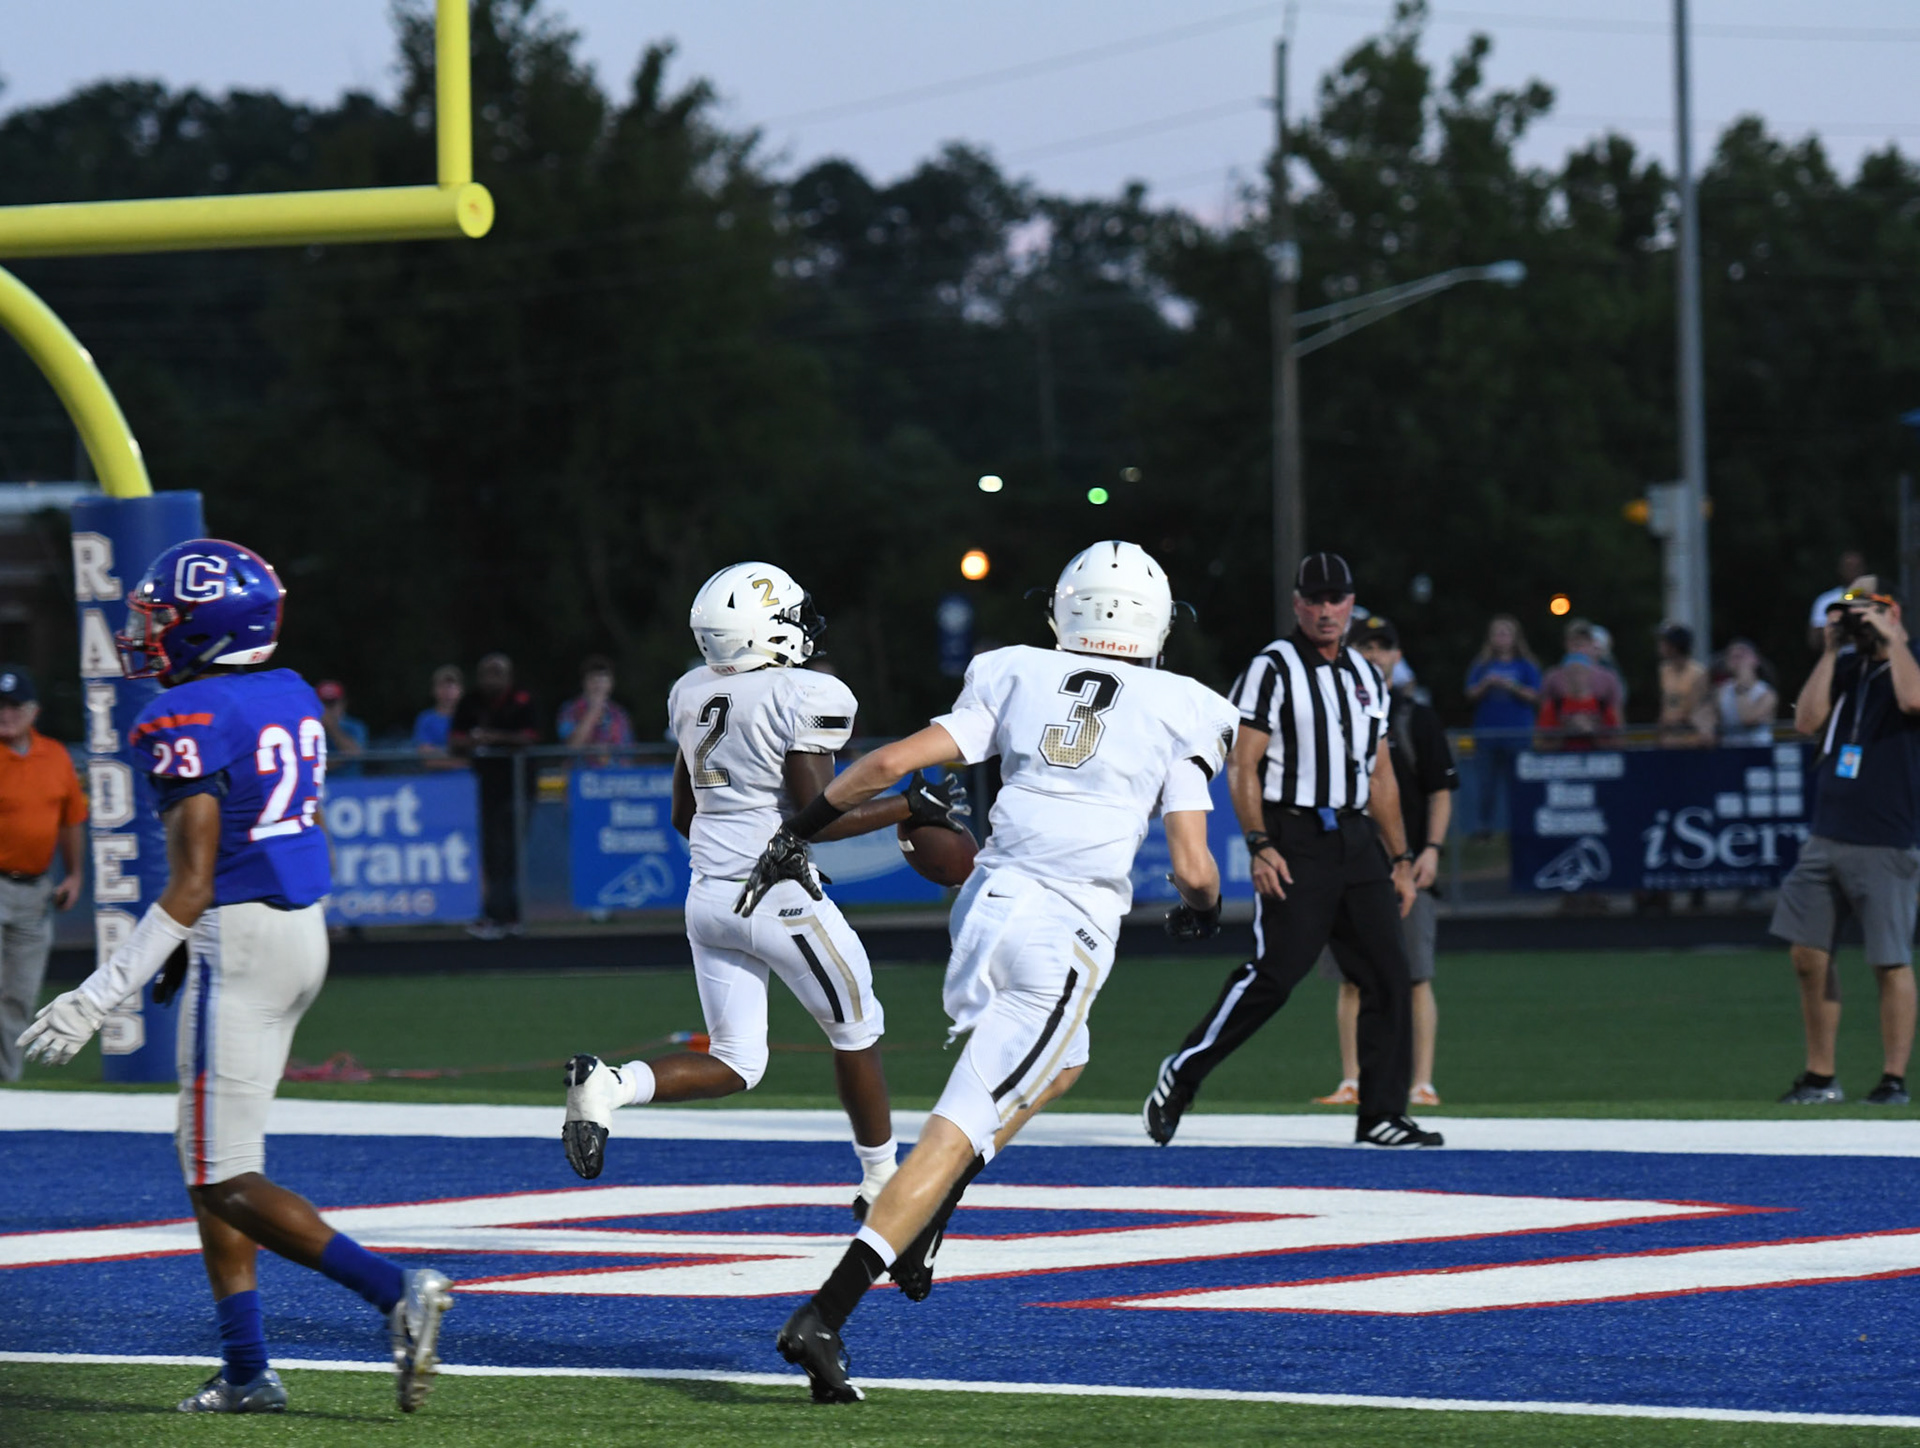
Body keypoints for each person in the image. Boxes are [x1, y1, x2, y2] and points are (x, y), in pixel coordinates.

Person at [757, 540, 1233, 1404]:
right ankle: (828, 1311)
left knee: (1066, 1059)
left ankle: (931, 1209)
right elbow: (1194, 864)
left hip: (987, 908)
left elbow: (890, 764)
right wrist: (1202, 908)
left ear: (1065, 610)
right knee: (958, 1125)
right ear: (1158, 624)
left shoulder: (1013, 669)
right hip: (1064, 933)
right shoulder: (1187, 706)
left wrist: (801, 828)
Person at [16, 539, 451, 1415]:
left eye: (163, 619)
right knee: (210, 1159)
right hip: (295, 932)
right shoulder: (287, 691)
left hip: (239, 942)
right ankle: (247, 1369)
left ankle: (393, 1291)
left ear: (206, 627)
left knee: (223, 1177)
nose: (147, 634)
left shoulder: (183, 716)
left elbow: (192, 882)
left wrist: (96, 997)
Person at [561, 563, 968, 1217]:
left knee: (737, 1062)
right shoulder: (801, 693)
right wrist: (910, 804)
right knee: (857, 1030)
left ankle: (610, 1084)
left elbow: (682, 814)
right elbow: (820, 815)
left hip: (708, 899)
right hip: (779, 898)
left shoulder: (691, 692)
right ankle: (881, 1181)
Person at [1146, 552, 1441, 1151]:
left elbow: (1380, 774)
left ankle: (1382, 1113)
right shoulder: (1272, 667)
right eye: (1315, 599)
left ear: (1351, 604)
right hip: (1296, 836)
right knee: (1276, 975)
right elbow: (1244, 764)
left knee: (1389, 974)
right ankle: (1183, 1071)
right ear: (1298, 603)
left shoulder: (1366, 675)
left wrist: (1401, 858)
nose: (1326, 610)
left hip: (1357, 838)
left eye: (1337, 599)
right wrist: (1259, 843)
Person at [1772, 578, 1920, 1106]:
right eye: (1848, 613)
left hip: (1886, 835)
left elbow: (1913, 699)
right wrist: (1832, 650)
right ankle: (1820, 1077)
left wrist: (1894, 638)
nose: (1856, 620)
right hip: (1828, 831)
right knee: (1807, 954)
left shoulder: (1909, 661)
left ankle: (1893, 1080)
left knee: (1889, 959)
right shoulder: (1846, 668)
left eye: (1865, 611)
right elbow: (1806, 720)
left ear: (1892, 613)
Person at [1312, 618, 1456, 1108]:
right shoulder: (1330, 714)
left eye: (1383, 646)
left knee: (1415, 975)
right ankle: (1351, 1080)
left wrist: (1431, 849)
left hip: (1406, 864)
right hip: (1348, 861)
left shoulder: (1416, 717)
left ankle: (1422, 1082)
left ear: (1398, 655)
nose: (1375, 654)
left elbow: (1440, 791)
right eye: (1365, 646)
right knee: (1351, 978)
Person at [0, 665, 87, 1081]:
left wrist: (74, 875)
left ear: (33, 711)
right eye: (0, 706)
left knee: (20, 993)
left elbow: (71, 820)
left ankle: (8, 1082)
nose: (6, 714)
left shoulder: (54, 755)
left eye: (14, 706)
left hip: (35, 889)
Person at [449, 653, 539, 938]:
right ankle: (501, 915)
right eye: (486, 673)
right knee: (492, 854)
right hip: (485, 788)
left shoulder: (522, 699)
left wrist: (494, 738)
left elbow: (530, 738)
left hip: (518, 786)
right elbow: (454, 740)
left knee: (509, 853)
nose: (491, 679)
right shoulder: (470, 701)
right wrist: (473, 740)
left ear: (508, 676)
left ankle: (503, 916)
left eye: (497, 673)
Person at [1463, 615, 1540, 836]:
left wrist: (1512, 686)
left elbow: (1536, 695)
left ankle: (1522, 825)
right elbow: (1470, 694)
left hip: (1518, 734)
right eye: (1497, 634)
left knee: (1519, 782)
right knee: (1486, 784)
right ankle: (1484, 828)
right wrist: (1486, 684)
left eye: (1506, 634)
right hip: (1487, 734)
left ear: (1515, 638)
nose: (1501, 638)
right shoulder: (1482, 666)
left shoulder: (1526, 665)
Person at [556, 655, 636, 765]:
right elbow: (571, 747)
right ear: (584, 682)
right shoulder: (569, 710)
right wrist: (593, 710)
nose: (599, 686)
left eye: (603, 680)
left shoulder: (619, 713)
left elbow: (628, 752)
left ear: (611, 684)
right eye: (593, 680)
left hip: (613, 773)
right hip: (580, 772)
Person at [1536, 655, 1619, 748]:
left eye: (1580, 672)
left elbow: (1618, 742)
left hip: (1595, 756)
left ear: (1589, 674)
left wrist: (1591, 732)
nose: (1576, 677)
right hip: (1564, 756)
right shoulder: (1554, 706)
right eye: (1571, 672)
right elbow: (1540, 744)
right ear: (1565, 675)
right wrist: (1567, 731)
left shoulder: (1602, 706)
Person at [1655, 624, 1715, 747]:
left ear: (1674, 646)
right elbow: (1667, 702)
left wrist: (1678, 720)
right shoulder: (1664, 671)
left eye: (1663, 642)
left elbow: (1700, 709)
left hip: (1690, 741)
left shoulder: (1698, 674)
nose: (1660, 646)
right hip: (1668, 740)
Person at [1717, 639, 1779, 747]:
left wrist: (1742, 686)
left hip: (1757, 750)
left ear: (1756, 660)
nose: (1737, 659)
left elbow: (1747, 718)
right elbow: (1709, 714)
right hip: (1729, 750)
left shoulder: (1767, 693)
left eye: (1742, 655)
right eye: (1732, 656)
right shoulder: (1721, 690)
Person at [1809, 549, 1868, 653]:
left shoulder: (1875, 599)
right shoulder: (1826, 600)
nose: (1852, 570)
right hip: (1837, 659)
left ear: (1864, 569)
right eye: (1848, 566)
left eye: (1857, 567)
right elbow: (1814, 641)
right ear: (1840, 569)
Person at [411, 664, 463, 766]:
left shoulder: (471, 717)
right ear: (433, 691)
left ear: (460, 690)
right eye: (441, 686)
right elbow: (429, 760)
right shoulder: (425, 719)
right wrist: (466, 760)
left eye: (451, 687)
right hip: (437, 776)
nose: (447, 692)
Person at [315, 680, 367, 775]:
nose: (326, 709)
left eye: (331, 704)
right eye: (322, 703)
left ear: (343, 704)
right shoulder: (307, 727)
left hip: (348, 782)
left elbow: (355, 754)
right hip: (318, 783)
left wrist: (332, 727)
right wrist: (342, 761)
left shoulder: (354, 726)